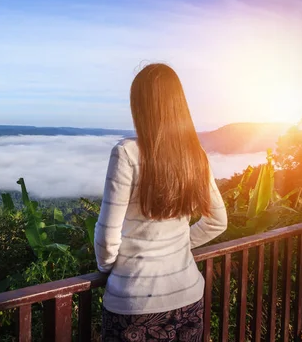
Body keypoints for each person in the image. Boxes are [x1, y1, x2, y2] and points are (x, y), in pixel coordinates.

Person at [94, 63, 227, 342]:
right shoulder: (195, 155)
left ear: (139, 106)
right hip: (188, 295)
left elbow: (107, 238)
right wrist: (175, 248)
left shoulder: (126, 153)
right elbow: (218, 220)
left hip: (135, 303)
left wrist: (109, 268)